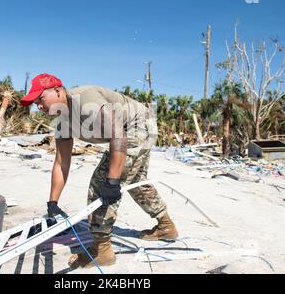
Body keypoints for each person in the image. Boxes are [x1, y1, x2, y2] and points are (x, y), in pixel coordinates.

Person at [21, 73, 178, 268]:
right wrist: (53, 201)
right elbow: (62, 162)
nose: (39, 106)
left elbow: (118, 133)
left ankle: (101, 249)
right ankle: (166, 226)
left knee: (101, 184)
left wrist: (112, 181)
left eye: (41, 99)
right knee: (134, 180)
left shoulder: (86, 100)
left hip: (138, 125)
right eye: (36, 103)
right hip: (130, 129)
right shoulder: (62, 122)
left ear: (58, 90)